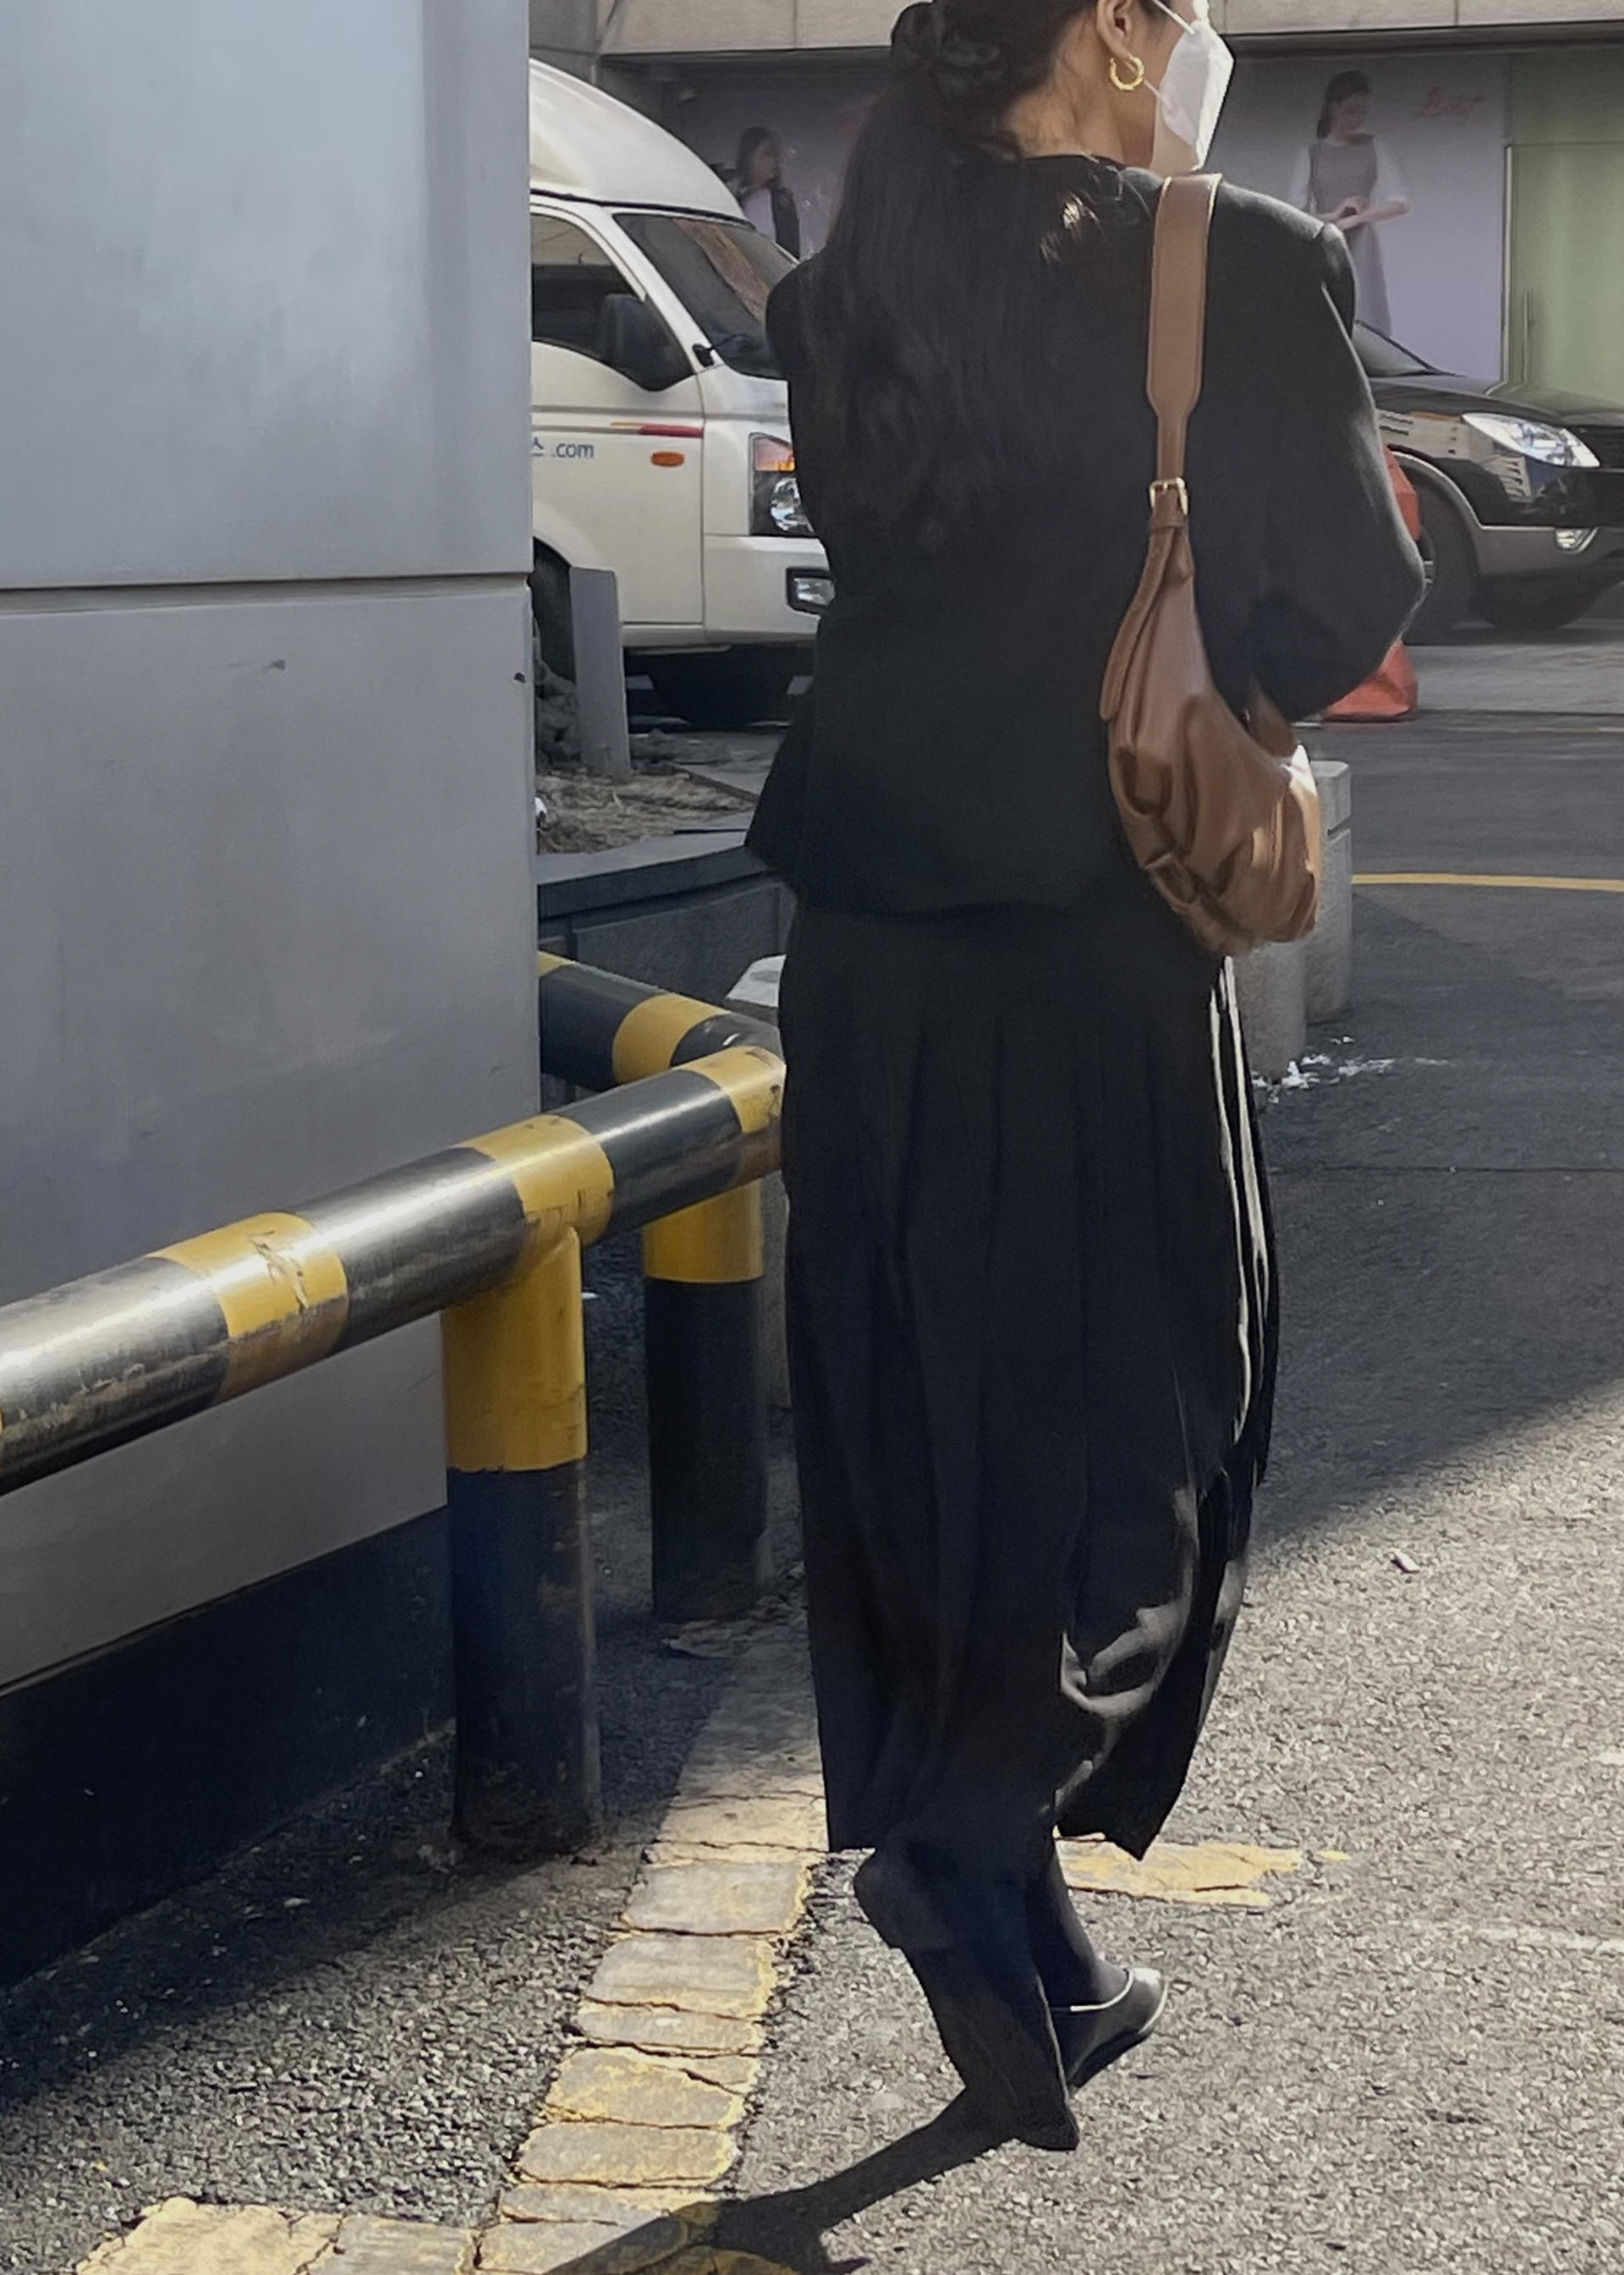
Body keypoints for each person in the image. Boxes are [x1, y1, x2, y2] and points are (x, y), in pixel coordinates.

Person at [747, 0, 1422, 2154]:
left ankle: (1028, 1945)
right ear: (1118, 29)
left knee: (935, 1415)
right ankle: (963, 1837)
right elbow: (1343, 602)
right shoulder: (1228, 258)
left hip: (866, 936)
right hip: (1093, 939)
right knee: (1144, 1417)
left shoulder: (841, 285)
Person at [1288, 71, 1410, 335]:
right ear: (1334, 108)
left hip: (1364, 245)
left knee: (1367, 315)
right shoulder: (1311, 154)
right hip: (1327, 241)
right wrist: (1335, 215)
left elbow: (1400, 202)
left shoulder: (1373, 146)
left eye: (1363, 111)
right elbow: (1296, 214)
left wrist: (1359, 218)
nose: (1358, 118)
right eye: (1352, 111)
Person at [734, 126, 803, 256]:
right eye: (767, 154)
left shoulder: (782, 202)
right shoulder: (736, 201)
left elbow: (790, 252)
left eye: (776, 154)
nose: (774, 160)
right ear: (750, 158)